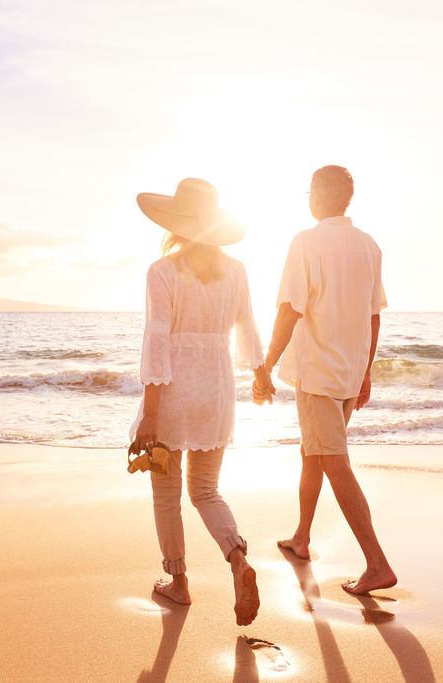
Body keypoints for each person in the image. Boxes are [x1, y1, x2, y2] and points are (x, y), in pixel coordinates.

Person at [130, 177, 271, 626]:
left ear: (175, 223)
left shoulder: (163, 271)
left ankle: (179, 582)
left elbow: (157, 341)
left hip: (172, 393)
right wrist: (260, 373)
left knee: (166, 496)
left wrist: (150, 414)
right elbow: (247, 327)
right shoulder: (237, 270)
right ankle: (238, 560)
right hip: (215, 391)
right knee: (206, 490)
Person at [252, 165, 397, 595]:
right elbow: (374, 315)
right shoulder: (368, 246)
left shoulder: (307, 242)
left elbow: (289, 308)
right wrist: (366, 371)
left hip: (317, 374)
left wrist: (265, 364)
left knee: (334, 462)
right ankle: (301, 537)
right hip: (349, 374)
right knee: (313, 454)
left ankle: (377, 564)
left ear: (317, 195)